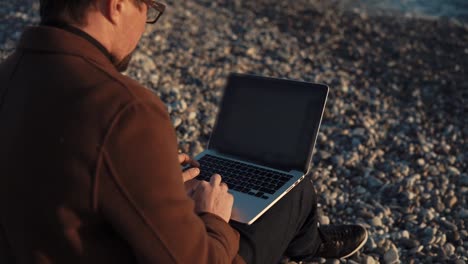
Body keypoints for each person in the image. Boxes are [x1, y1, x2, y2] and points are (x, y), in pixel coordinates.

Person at [0, 0, 368, 263]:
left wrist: (145, 179)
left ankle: (307, 244)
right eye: (149, 9)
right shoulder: (125, 108)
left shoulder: (7, 75)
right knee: (295, 192)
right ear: (117, 5)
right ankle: (308, 246)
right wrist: (211, 218)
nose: (144, 27)